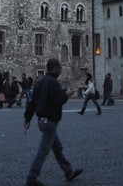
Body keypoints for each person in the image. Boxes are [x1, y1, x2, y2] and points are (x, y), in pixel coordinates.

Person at [23, 58, 83, 186]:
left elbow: (32, 102)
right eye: (59, 68)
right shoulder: (54, 83)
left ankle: (68, 171)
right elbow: (58, 100)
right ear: (54, 68)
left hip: (42, 121)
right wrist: (67, 94)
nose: (61, 71)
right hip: (50, 121)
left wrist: (28, 118)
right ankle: (31, 178)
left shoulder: (39, 83)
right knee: (43, 150)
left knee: (57, 147)